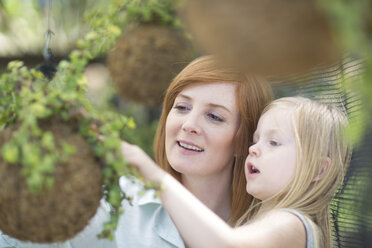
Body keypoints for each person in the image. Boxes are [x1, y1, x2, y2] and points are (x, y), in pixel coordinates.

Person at [121, 96, 351, 248]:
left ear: (318, 169)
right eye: (256, 139)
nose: (253, 149)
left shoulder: (292, 223)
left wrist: (156, 177)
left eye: (274, 143)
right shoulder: (260, 221)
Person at [115, 55, 273, 247]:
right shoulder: (114, 202)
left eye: (214, 116)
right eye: (182, 107)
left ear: (244, 142)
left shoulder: (269, 231)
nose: (189, 125)